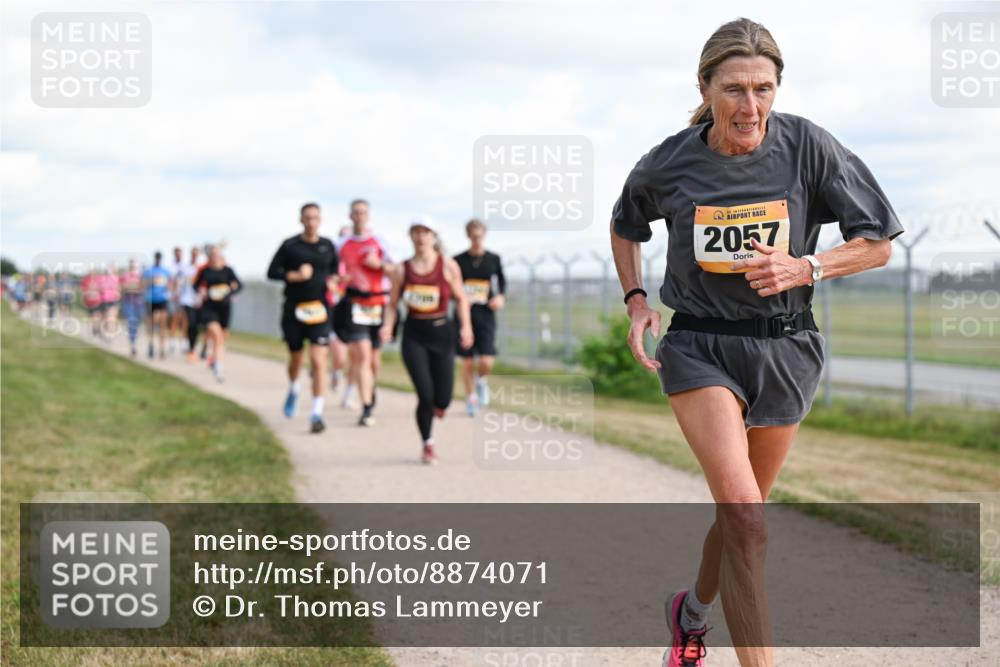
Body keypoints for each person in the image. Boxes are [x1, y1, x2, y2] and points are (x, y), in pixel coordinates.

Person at [609, 18, 904, 667]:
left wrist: (809, 266)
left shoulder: (808, 149)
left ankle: (690, 612)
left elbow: (878, 242)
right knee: (745, 515)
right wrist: (636, 300)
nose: (751, 106)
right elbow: (625, 222)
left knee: (742, 512)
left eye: (764, 89)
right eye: (736, 89)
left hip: (787, 349)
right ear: (706, 86)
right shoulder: (672, 159)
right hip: (700, 346)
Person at [380, 216, 473, 465]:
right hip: (414, 335)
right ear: (411, 236)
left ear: (434, 237)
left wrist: (466, 327)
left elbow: (461, 299)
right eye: (416, 232)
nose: (421, 237)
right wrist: (388, 327)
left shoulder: (448, 266)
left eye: (426, 232)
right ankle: (427, 444)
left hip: (442, 332)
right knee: (425, 394)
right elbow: (392, 305)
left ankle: (438, 405)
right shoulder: (401, 269)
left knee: (443, 398)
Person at [267, 203, 340, 433]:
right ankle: (294, 387)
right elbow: (272, 272)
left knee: (319, 361)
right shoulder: (290, 246)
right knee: (296, 359)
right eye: (307, 218)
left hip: (319, 310)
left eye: (315, 218)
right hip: (294, 310)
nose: (311, 222)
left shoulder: (327, 246)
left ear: (320, 220)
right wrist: (295, 275)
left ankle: (317, 412)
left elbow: (335, 273)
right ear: (301, 220)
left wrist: (336, 282)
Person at [335, 199, 394, 427]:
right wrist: (339, 281)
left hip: (378, 304)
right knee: (362, 355)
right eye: (356, 213)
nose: (360, 216)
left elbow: (396, 270)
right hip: (355, 304)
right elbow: (334, 272)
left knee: (374, 361)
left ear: (368, 216)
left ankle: (370, 388)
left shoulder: (380, 242)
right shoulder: (341, 244)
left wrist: (378, 265)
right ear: (350, 216)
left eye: (363, 213)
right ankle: (366, 406)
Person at [453, 218, 506, 416]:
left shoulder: (493, 259)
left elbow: (501, 281)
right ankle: (471, 398)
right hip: (464, 314)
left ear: (484, 235)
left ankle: (481, 380)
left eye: (479, 236)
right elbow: (452, 285)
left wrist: (500, 296)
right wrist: (459, 295)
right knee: (467, 361)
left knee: (486, 361)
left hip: (486, 314)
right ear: (468, 236)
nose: (476, 240)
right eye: (473, 236)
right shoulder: (458, 260)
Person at [195, 246, 241, 382]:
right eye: (212, 255)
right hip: (210, 307)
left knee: (222, 337)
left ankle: (214, 359)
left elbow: (239, 285)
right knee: (217, 335)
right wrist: (201, 291)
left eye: (217, 254)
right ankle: (219, 368)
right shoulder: (205, 270)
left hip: (225, 308)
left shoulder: (228, 270)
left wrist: (231, 293)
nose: (214, 257)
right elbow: (195, 285)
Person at [143, 251, 172, 359]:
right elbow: (142, 285)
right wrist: (152, 281)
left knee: (162, 324)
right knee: (152, 324)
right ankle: (151, 344)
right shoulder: (148, 271)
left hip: (162, 299)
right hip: (150, 299)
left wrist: (169, 286)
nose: (158, 260)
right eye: (157, 258)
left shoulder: (165, 271)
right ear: (155, 258)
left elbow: (170, 284)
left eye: (159, 258)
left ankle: (162, 348)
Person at [180, 246, 202, 362]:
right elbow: (181, 283)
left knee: (196, 325)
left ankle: (193, 345)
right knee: (191, 322)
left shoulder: (201, 267)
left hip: (198, 301)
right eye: (193, 253)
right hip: (187, 299)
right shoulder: (185, 267)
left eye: (196, 254)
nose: (195, 255)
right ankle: (191, 347)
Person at [167, 246, 188, 355]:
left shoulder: (185, 266)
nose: (178, 255)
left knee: (184, 319)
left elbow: (187, 280)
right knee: (174, 318)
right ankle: (172, 342)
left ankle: (184, 342)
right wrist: (174, 293)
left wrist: (183, 294)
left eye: (180, 253)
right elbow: (169, 281)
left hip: (184, 297)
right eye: (177, 253)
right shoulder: (171, 266)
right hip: (174, 297)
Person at [120, 259, 144, 356]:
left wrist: (133, 288)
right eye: (131, 266)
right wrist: (133, 288)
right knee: (131, 322)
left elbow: (142, 288)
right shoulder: (125, 276)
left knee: (137, 322)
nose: (133, 267)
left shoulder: (140, 275)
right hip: (128, 303)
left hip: (139, 303)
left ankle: (134, 339)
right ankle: (133, 345)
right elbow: (123, 288)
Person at [98, 265, 121, 343]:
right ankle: (104, 331)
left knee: (111, 318)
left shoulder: (116, 278)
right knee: (105, 318)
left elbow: (119, 288)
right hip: (104, 300)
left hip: (114, 300)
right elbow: (100, 289)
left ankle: (109, 335)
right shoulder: (102, 279)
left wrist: (118, 293)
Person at [80, 269, 104, 337]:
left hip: (97, 301)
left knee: (98, 315)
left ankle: (96, 328)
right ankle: (94, 328)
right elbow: (83, 291)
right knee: (92, 316)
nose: (93, 274)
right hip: (89, 301)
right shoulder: (86, 280)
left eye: (94, 273)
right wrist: (83, 300)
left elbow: (102, 289)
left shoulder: (99, 279)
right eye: (92, 273)